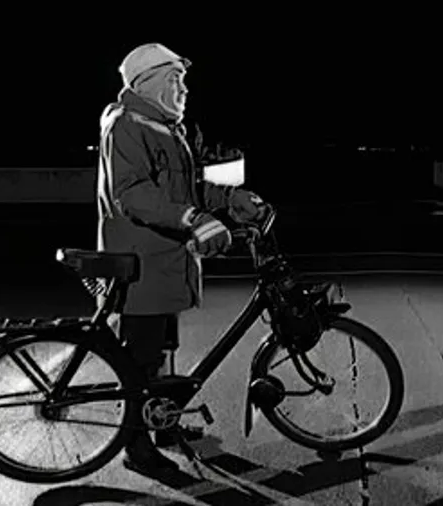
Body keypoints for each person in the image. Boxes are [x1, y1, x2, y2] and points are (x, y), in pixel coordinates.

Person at [97, 42, 266, 474]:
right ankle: (136, 447)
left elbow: (184, 189)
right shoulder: (126, 125)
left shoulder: (165, 127)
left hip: (165, 260)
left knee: (162, 350)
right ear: (149, 83)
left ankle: (161, 423)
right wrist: (194, 219)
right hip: (139, 263)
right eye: (176, 79)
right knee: (140, 359)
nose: (185, 89)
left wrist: (229, 199)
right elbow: (133, 195)